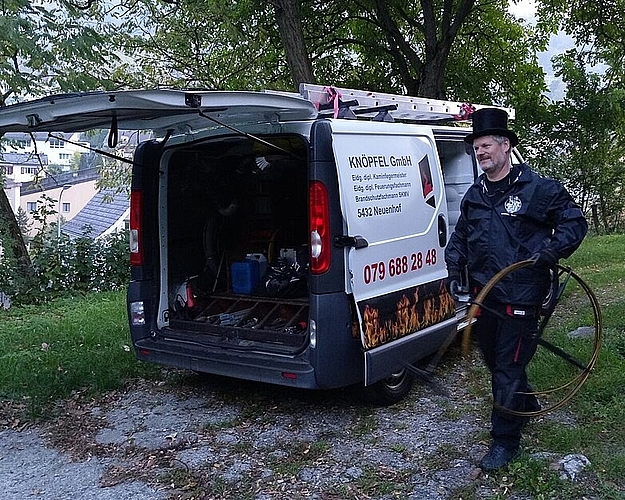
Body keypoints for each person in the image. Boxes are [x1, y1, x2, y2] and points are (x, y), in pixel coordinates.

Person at [445, 108, 588, 471]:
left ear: (506, 146)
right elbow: (461, 236)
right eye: (476, 148)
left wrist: (551, 251)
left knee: (507, 367)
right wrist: (453, 268)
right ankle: (524, 404)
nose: (481, 153)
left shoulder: (538, 189)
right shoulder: (475, 195)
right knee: (493, 360)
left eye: (487, 146)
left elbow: (574, 222)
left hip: (522, 293)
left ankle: (505, 441)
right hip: (486, 295)